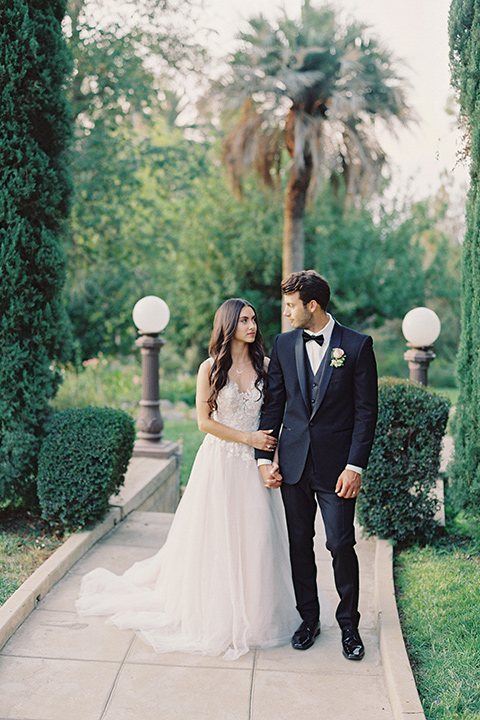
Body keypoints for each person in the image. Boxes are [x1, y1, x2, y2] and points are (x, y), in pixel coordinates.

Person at [76, 298, 299, 660]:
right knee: (216, 537)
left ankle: (258, 614)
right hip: (221, 461)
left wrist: (267, 455)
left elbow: (272, 415)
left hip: (253, 463)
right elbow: (203, 422)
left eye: (254, 319)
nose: (252, 326)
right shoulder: (210, 368)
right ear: (228, 324)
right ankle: (215, 612)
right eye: (244, 320)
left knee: (256, 538)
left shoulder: (267, 366)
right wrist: (248, 439)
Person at [256, 271, 378, 661]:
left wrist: (354, 467)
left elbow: (366, 413)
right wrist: (263, 458)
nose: (286, 312)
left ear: (312, 305)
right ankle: (308, 619)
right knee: (299, 546)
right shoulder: (283, 343)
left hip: (337, 469)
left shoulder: (357, 346)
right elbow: (274, 404)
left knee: (340, 544)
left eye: (291, 305)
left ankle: (349, 626)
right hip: (293, 464)